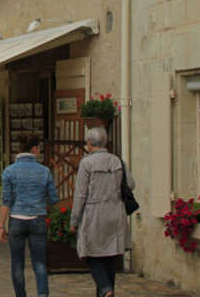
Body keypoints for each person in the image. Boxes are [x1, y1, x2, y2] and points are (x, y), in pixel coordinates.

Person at [69, 126, 133, 297]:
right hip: (115, 211)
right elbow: (131, 184)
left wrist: (74, 220)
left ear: (89, 143)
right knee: (109, 257)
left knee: (90, 254)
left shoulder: (87, 163)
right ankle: (107, 292)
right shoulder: (118, 161)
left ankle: (105, 288)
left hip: (94, 212)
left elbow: (80, 194)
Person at [0, 135, 59, 297]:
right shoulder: (44, 171)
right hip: (37, 218)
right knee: (39, 262)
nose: (39, 151)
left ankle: (21, 295)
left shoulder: (9, 171)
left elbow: (6, 200)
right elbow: (53, 198)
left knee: (17, 263)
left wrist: (1, 226)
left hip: (17, 219)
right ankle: (42, 294)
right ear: (34, 149)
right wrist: (41, 201)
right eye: (38, 148)